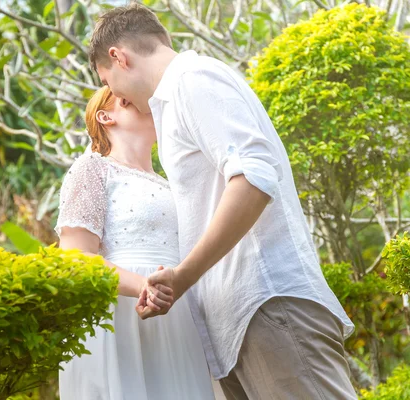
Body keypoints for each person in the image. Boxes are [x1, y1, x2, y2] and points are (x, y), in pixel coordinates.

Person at [88, 4, 357, 399]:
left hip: (266, 305)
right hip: (237, 326)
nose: (114, 93)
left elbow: (254, 178)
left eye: (107, 81)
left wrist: (183, 275)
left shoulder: (193, 80)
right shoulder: (173, 103)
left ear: (118, 57)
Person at [55, 86, 220, 399]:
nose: (142, 100)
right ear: (106, 117)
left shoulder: (171, 183)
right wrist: (145, 287)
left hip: (177, 316)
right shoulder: (92, 168)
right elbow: (75, 258)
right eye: (124, 98)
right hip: (120, 315)